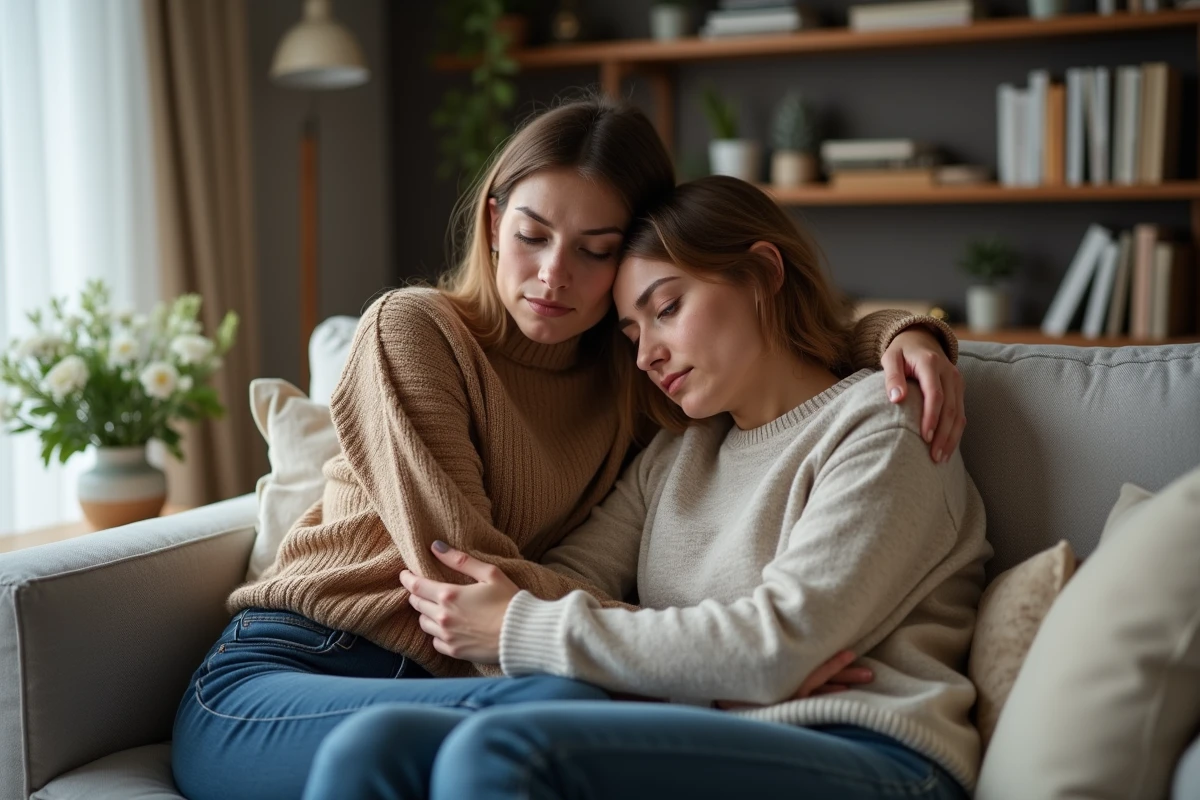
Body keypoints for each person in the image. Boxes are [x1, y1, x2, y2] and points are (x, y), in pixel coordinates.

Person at [171, 96, 966, 800]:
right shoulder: (416, 331)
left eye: (596, 252)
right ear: (492, 222)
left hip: (834, 736)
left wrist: (902, 334)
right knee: (512, 714)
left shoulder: (640, 391)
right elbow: (463, 582)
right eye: (532, 234)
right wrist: (722, 660)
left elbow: (788, 350)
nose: (555, 275)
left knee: (476, 729)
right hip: (308, 659)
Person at [351, 175, 992, 800]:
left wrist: (524, 631)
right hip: (710, 725)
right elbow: (568, 579)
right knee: (381, 742)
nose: (645, 356)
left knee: (499, 750)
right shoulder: (678, 453)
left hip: (871, 750)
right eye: (631, 333)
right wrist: (709, 673)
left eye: (666, 309)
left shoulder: (884, 422)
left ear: (765, 274)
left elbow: (774, 648)